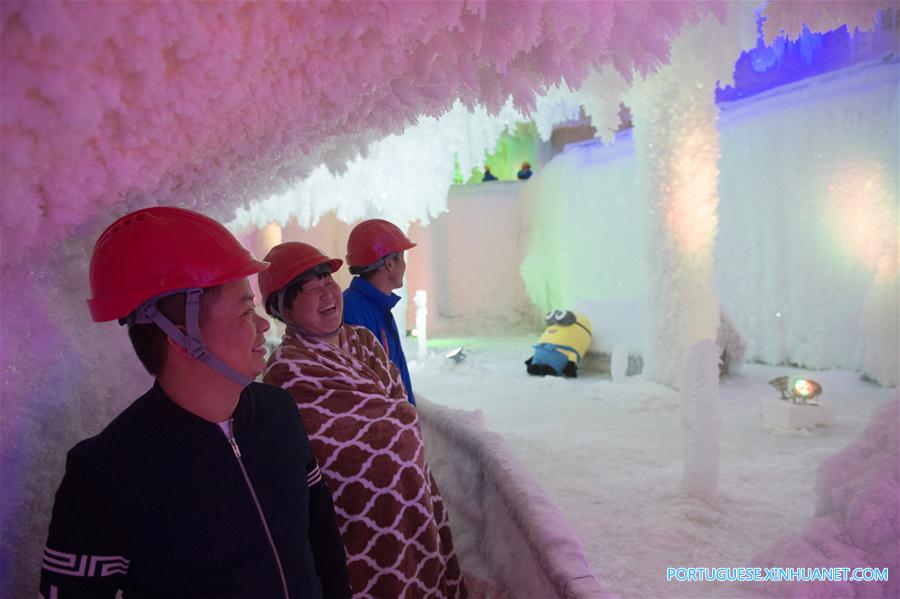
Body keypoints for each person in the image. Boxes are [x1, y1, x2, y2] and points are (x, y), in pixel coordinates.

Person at [40, 207, 351, 599]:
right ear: (181, 334)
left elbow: (321, 540)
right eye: (244, 311)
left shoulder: (279, 413)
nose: (263, 325)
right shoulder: (104, 475)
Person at [259, 242, 466, 598]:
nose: (327, 294)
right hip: (360, 520)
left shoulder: (363, 341)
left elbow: (398, 405)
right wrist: (397, 423)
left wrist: (398, 422)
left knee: (424, 570)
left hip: (411, 494)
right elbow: (342, 443)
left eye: (328, 281)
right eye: (311, 288)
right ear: (284, 308)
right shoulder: (288, 369)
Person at [342, 219, 417, 405]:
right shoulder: (353, 310)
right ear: (390, 263)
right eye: (402, 257)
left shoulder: (373, 306)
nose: (405, 266)